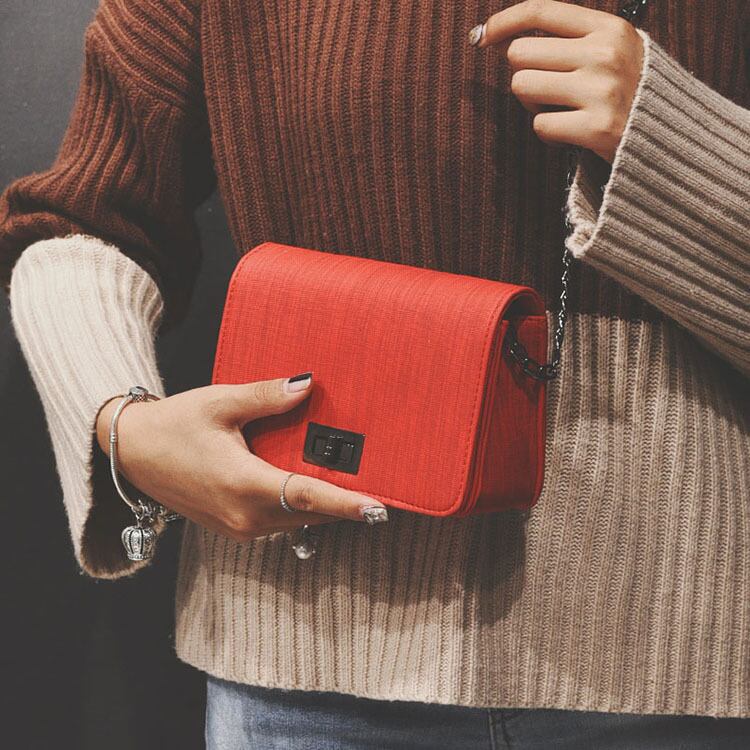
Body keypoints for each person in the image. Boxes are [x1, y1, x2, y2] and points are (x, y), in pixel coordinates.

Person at [1, 0, 748, 747]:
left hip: (672, 660)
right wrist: (126, 427)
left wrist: (675, 140)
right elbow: (80, 224)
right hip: (299, 661)